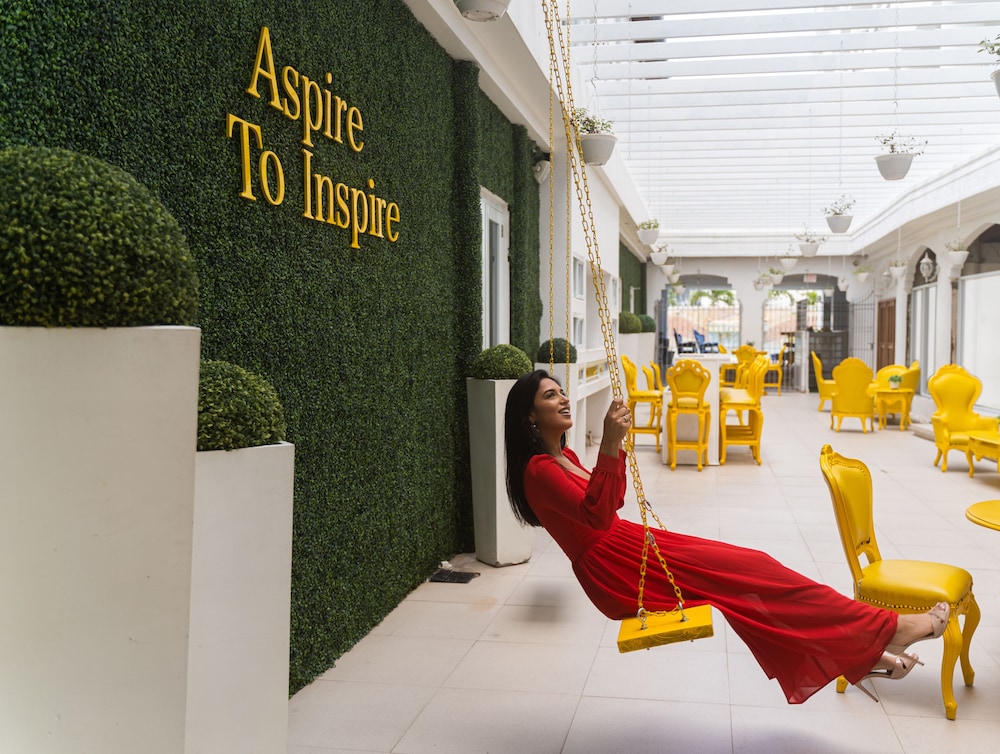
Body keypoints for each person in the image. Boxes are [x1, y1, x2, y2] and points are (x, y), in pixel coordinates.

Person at [504, 369, 949, 704]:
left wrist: (613, 448)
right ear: (530, 415)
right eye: (550, 395)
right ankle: (890, 628)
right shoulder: (538, 470)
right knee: (755, 573)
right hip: (616, 567)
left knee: (753, 588)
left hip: (630, 545)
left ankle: (864, 651)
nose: (564, 399)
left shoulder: (564, 456)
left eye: (561, 391)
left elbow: (612, 500)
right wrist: (609, 444)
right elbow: (598, 516)